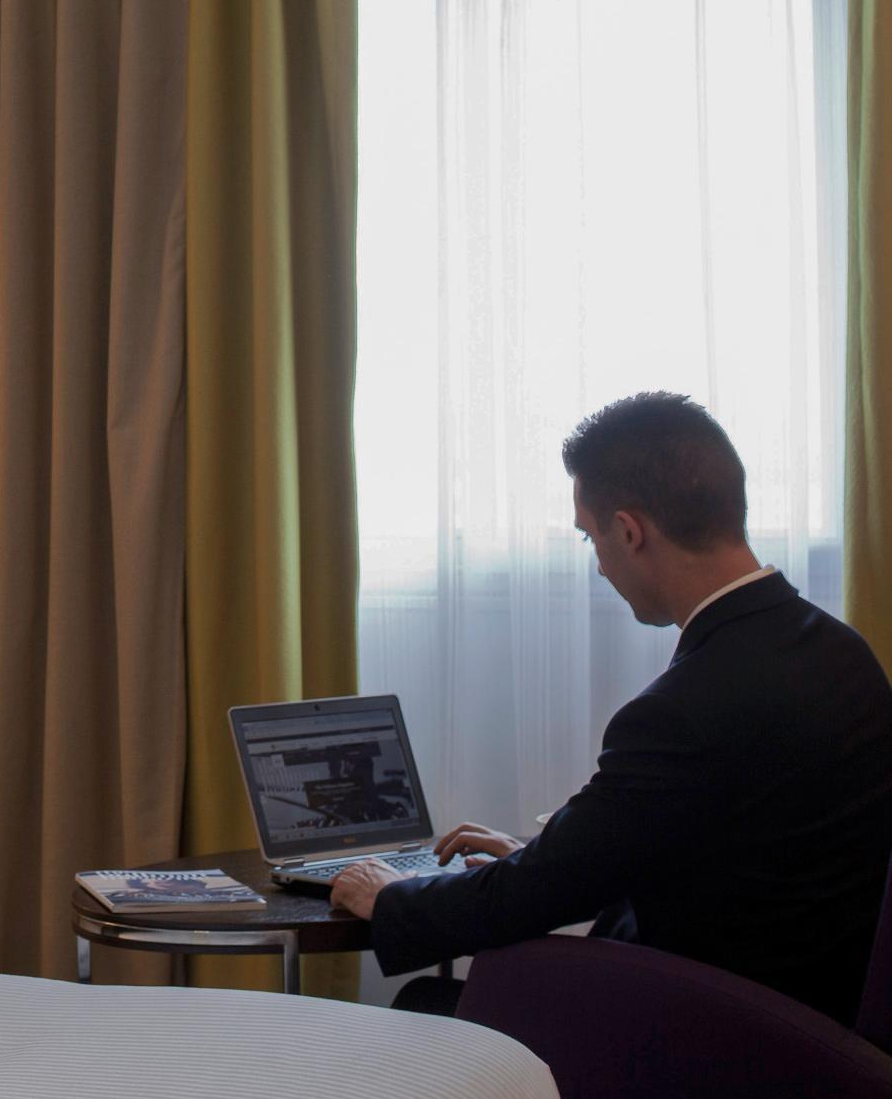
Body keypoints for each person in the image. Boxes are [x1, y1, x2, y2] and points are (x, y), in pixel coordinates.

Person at [330, 392, 892, 1022]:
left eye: (590, 536)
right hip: (826, 1025)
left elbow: (539, 896)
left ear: (628, 531)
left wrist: (392, 897)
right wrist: (547, 856)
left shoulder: (683, 709)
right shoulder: (843, 653)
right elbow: (732, 854)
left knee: (427, 1007)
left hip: (726, 1036)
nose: (599, 565)